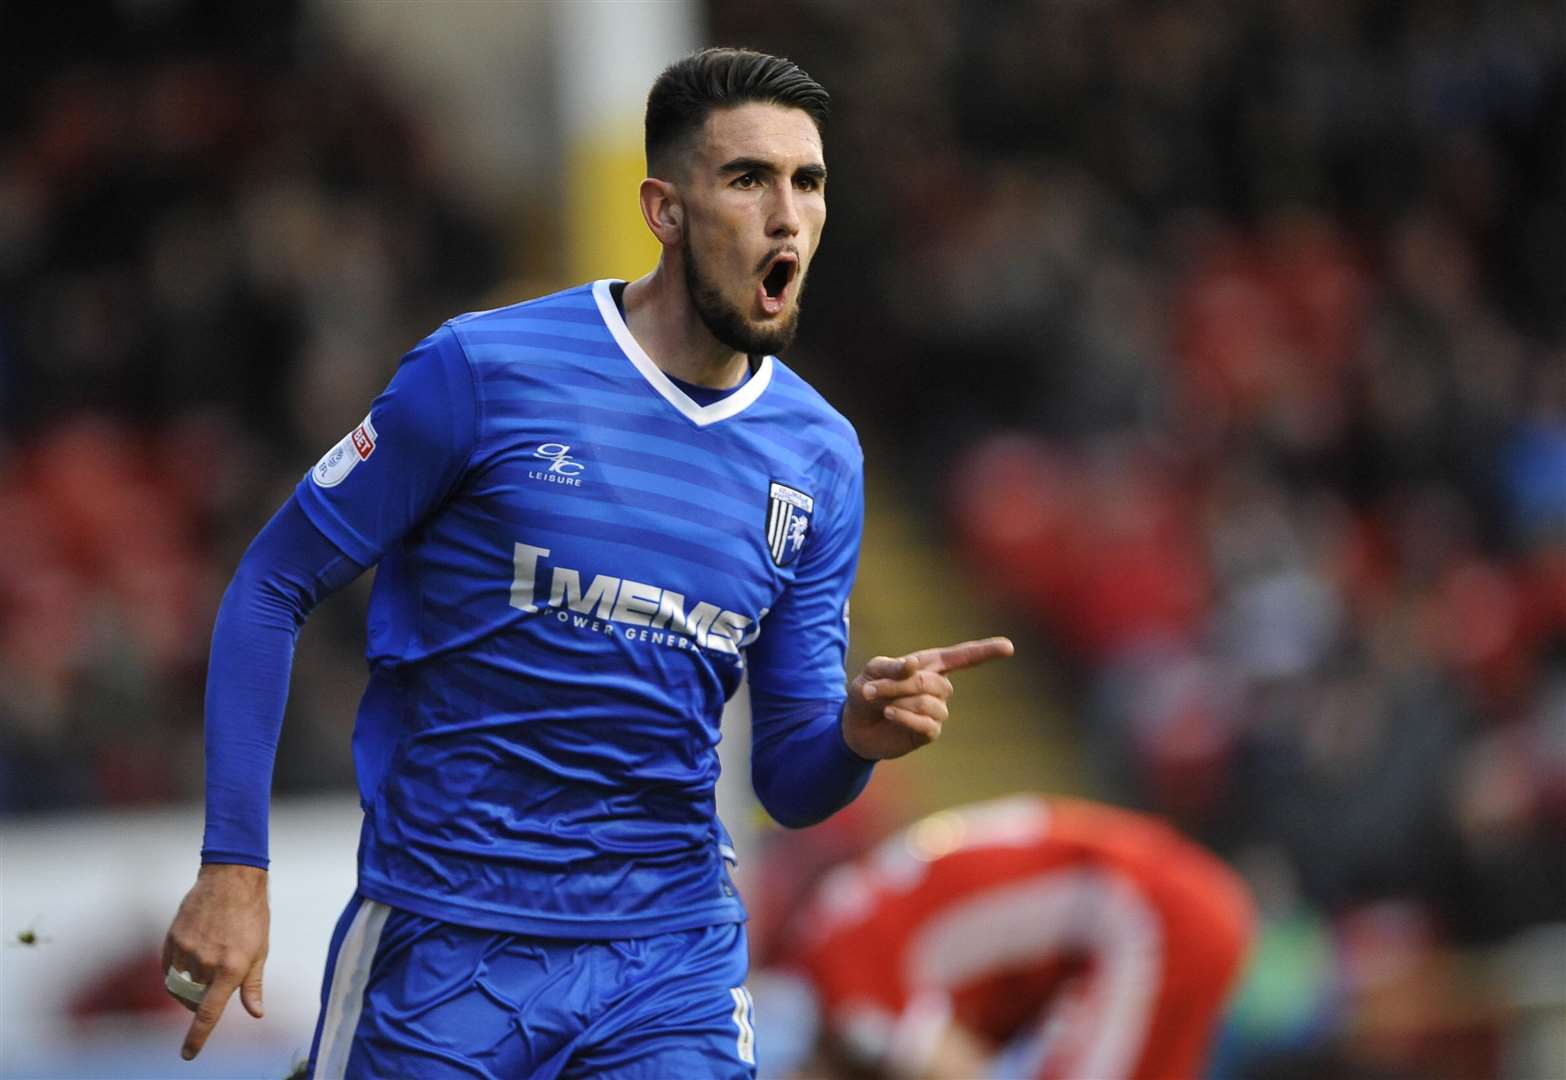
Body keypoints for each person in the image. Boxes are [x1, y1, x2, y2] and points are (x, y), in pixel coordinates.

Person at [160, 47, 1013, 1079]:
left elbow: (789, 777)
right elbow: (269, 586)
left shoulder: (818, 456)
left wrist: (854, 736)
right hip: (448, 939)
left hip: (670, 955)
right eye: (748, 178)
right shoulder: (485, 372)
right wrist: (232, 866)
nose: (787, 214)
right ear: (664, 208)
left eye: (809, 181)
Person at [764, 795, 1254, 1079]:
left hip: (1155, 915)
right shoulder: (847, 926)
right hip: (1149, 899)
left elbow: (953, 1068)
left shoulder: (848, 990)